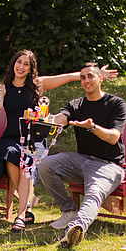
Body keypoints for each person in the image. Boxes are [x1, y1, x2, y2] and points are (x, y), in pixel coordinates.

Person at [0, 50, 118, 233]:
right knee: (10, 154)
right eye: (19, 62)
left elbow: (68, 77)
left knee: (26, 162)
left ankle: (21, 215)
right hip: (11, 137)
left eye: (26, 64)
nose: (21, 67)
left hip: (34, 138)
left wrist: (96, 74)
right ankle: (28, 204)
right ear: (13, 63)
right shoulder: (4, 87)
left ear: (31, 68)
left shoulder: (38, 85)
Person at [37, 62, 126, 248]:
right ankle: (69, 211)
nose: (86, 80)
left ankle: (77, 227)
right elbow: (60, 120)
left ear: (100, 78)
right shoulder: (76, 104)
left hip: (109, 165)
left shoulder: (116, 104)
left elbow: (113, 138)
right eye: (83, 77)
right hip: (81, 160)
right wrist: (47, 120)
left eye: (91, 76)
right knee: (45, 164)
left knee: (93, 193)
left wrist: (92, 128)